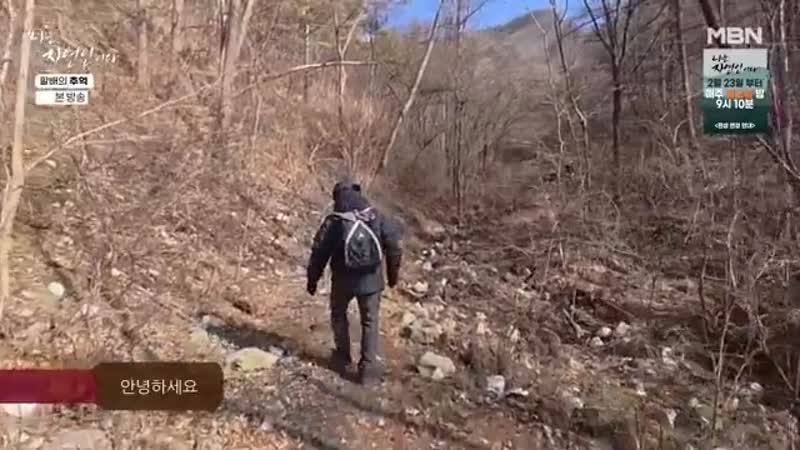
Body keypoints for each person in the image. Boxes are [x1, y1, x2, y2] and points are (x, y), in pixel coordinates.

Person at [306, 180, 403, 385]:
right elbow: (394, 247)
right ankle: (368, 370)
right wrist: (392, 276)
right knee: (370, 322)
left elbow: (319, 252)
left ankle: (342, 359)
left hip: (342, 281)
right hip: (372, 281)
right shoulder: (376, 216)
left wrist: (312, 280)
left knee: (339, 315)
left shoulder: (334, 222)